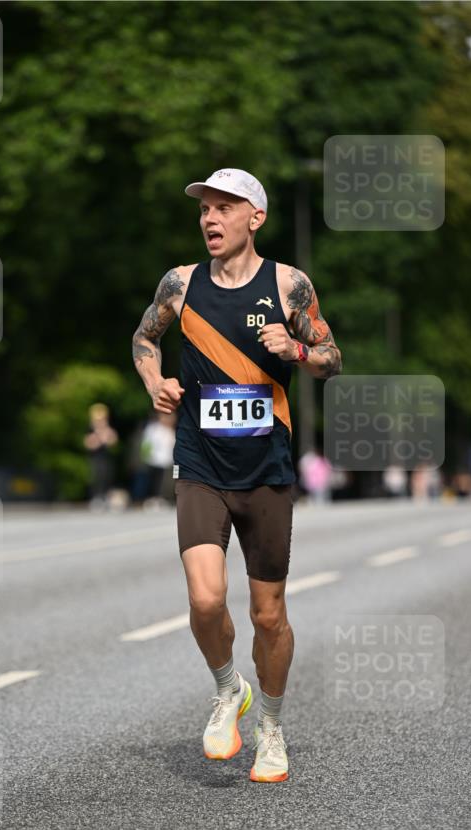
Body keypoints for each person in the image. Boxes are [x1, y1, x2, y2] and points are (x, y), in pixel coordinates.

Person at [131, 168, 342, 782]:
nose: (210, 218)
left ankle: (270, 727)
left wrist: (296, 350)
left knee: (268, 615)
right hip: (200, 462)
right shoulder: (180, 284)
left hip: (267, 466)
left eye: (225, 207)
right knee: (205, 598)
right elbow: (144, 337)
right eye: (205, 209)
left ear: (256, 218)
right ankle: (229, 689)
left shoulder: (289, 285)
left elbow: (331, 358)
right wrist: (155, 382)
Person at [83, 403, 118, 510]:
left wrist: (104, 432)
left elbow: (113, 441)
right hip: (95, 458)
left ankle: (105, 497)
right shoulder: (90, 431)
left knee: (107, 477)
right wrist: (99, 436)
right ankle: (96, 497)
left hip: (106, 458)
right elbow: (89, 444)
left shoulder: (108, 430)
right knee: (96, 478)